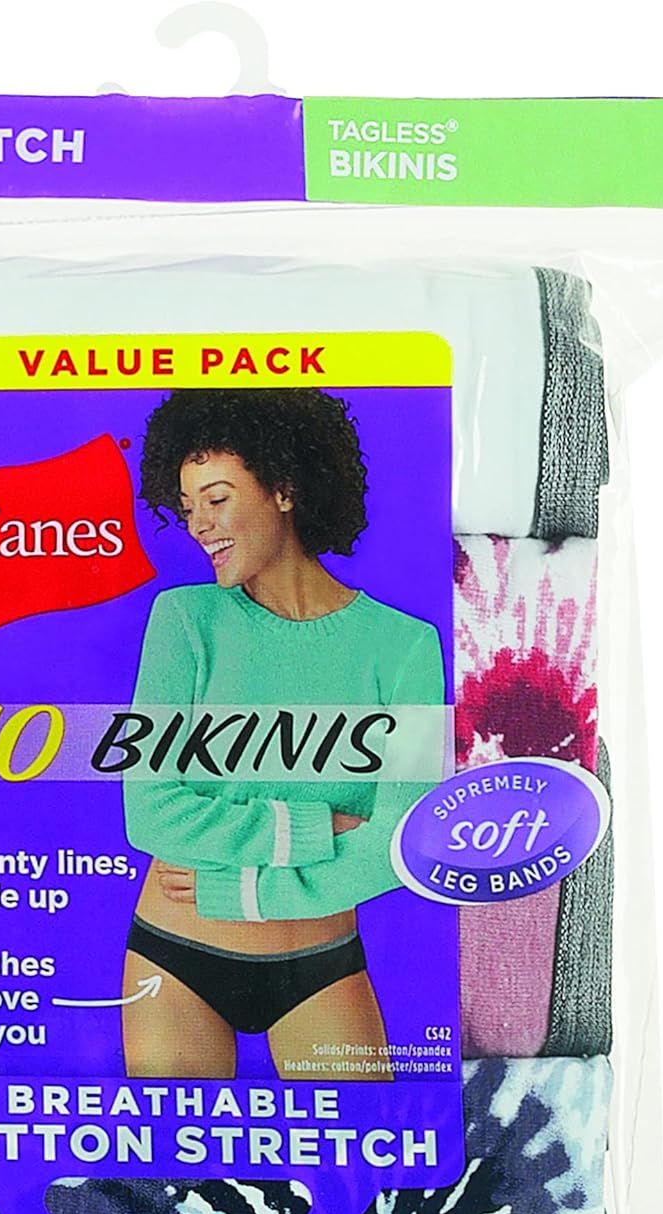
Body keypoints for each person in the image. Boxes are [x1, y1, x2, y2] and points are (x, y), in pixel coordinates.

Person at [120, 387, 444, 1080]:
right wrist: (320, 826)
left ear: (285, 490)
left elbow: (403, 844)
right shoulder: (183, 621)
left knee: (363, 1152)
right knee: (169, 1154)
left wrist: (238, 892)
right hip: (174, 957)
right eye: (187, 508)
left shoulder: (407, 648)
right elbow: (150, 812)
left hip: (319, 964)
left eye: (217, 499)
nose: (199, 526)